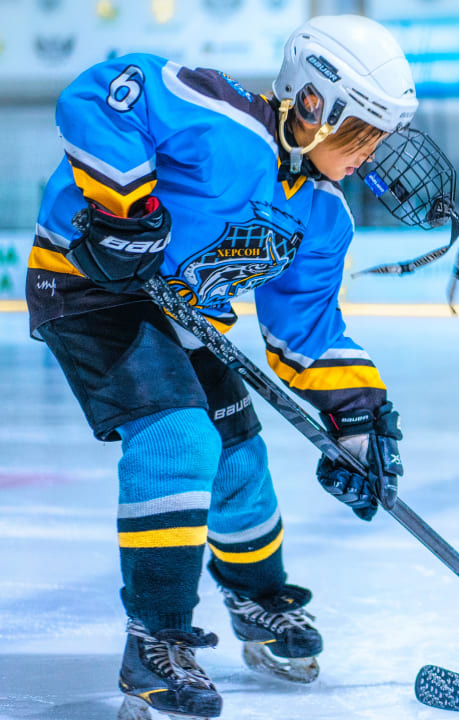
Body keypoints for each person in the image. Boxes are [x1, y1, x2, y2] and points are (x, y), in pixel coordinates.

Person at [26, 15, 419, 720]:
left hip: (177, 309)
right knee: (180, 438)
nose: (371, 155)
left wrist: (356, 417)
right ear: (313, 104)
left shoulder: (324, 217)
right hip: (88, 285)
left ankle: (258, 598)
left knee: (241, 460)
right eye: (364, 134)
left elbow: (306, 331)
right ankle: (156, 638)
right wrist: (129, 208)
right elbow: (101, 94)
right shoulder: (222, 122)